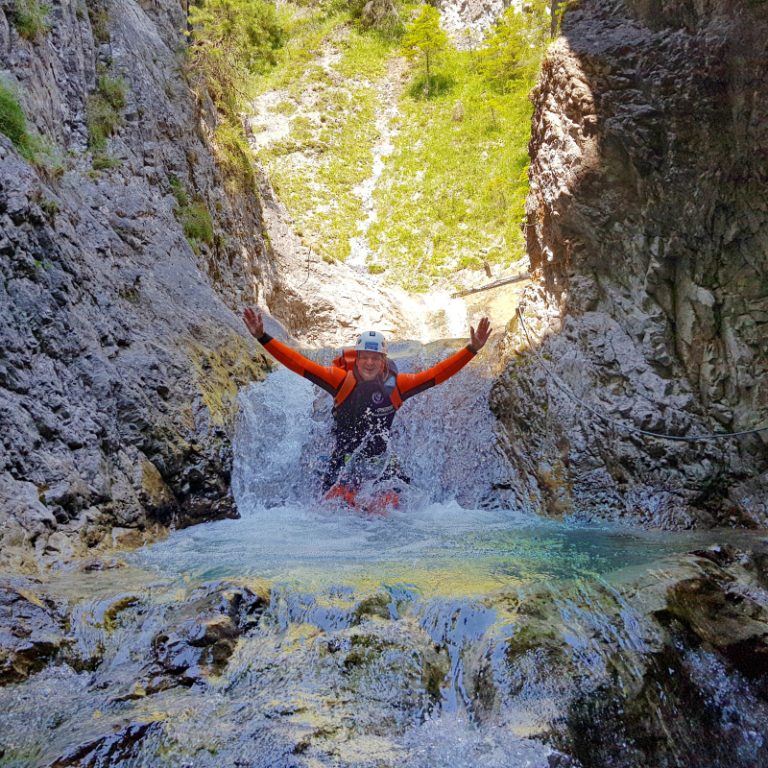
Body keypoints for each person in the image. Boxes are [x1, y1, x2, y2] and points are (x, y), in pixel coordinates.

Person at [243, 307, 491, 509]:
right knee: (336, 511)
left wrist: (472, 349)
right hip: (344, 462)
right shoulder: (339, 380)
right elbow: (299, 363)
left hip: (380, 462)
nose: (369, 363)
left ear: (383, 361)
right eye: (364, 357)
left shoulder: (398, 386)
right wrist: (262, 337)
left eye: (375, 358)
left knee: (386, 512)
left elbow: (437, 375)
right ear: (357, 358)